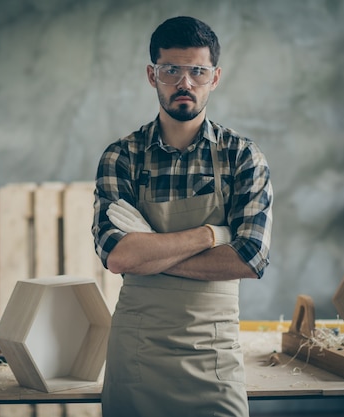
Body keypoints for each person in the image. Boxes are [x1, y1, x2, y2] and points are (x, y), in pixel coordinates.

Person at [92, 15, 273, 417]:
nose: (184, 83)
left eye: (197, 71)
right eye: (171, 70)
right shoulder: (121, 157)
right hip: (138, 350)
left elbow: (250, 258)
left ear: (215, 76)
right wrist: (212, 233)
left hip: (214, 352)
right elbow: (119, 258)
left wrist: (150, 252)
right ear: (151, 75)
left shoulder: (242, 157)